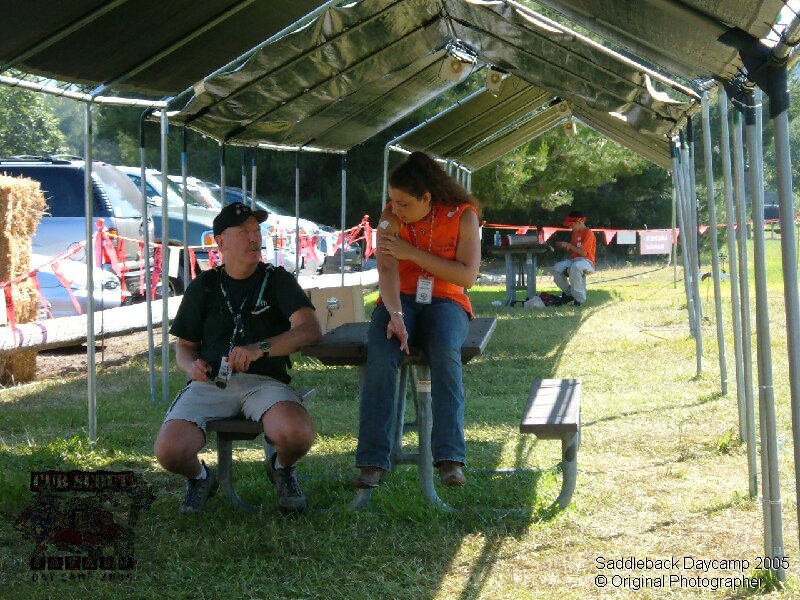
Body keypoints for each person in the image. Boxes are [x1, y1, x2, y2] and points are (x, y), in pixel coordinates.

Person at [154, 202, 323, 514]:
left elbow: (310, 330)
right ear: (221, 242)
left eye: (256, 230)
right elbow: (185, 346)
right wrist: (191, 366)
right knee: (169, 451)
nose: (254, 238)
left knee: (297, 434)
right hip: (211, 384)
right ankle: (200, 478)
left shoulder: (277, 279)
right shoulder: (204, 286)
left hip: (265, 383)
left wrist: (261, 347)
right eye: (244, 231)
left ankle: (282, 468)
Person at [355, 151, 481, 489]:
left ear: (427, 197)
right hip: (399, 299)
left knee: (444, 350)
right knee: (381, 353)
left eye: (404, 203)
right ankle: (372, 461)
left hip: (448, 300)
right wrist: (395, 314)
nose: (395, 209)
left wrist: (412, 254)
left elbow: (467, 276)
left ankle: (450, 458)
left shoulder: (463, 216)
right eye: (392, 201)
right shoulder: (390, 218)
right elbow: (386, 269)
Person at [552, 210, 596, 306]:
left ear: (579, 222)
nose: (570, 227)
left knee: (576, 266)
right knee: (557, 268)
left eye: (571, 224)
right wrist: (565, 246)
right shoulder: (575, 233)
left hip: (587, 262)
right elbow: (574, 251)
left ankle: (579, 300)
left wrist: (568, 245)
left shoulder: (588, 233)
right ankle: (570, 294)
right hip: (574, 261)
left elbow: (583, 253)